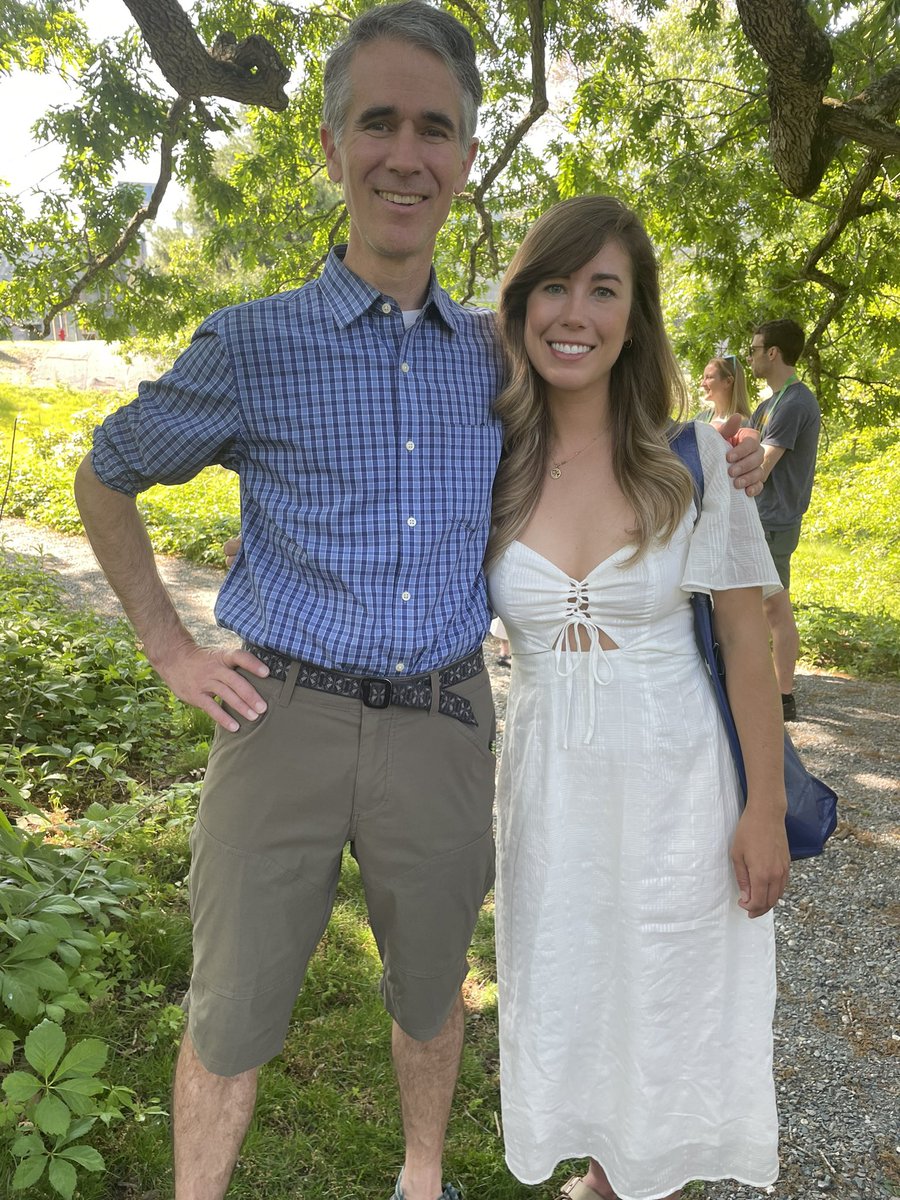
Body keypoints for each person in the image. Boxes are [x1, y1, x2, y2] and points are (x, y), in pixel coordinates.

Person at [72, 5, 765, 1198]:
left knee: (434, 987)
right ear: (331, 146)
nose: (406, 154)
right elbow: (105, 474)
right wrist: (169, 647)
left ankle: (423, 1178)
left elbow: (605, 399)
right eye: (379, 122)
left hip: (443, 723)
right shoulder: (252, 345)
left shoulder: (495, 357)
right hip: (280, 715)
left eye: (434, 128)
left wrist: (724, 453)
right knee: (230, 1008)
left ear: (464, 156)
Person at [486, 195, 790, 1200]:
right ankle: (593, 1172)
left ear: (635, 316)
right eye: (555, 286)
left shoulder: (697, 462)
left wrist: (763, 809)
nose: (576, 313)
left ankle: (629, 1182)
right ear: (523, 306)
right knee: (573, 981)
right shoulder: (487, 457)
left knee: (667, 987)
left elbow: (746, 643)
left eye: (604, 290)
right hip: (549, 786)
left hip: (678, 784)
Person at [748, 319, 821, 722]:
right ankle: (764, 688)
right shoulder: (768, 405)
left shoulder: (795, 402)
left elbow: (761, 465)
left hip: (775, 521)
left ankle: (783, 697)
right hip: (761, 517)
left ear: (773, 353)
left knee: (775, 609)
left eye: (754, 349)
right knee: (759, 608)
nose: (751, 357)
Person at [698, 354, 751, 424]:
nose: (702, 384)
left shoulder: (743, 424)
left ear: (728, 382)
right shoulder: (701, 418)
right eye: (704, 378)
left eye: (709, 377)